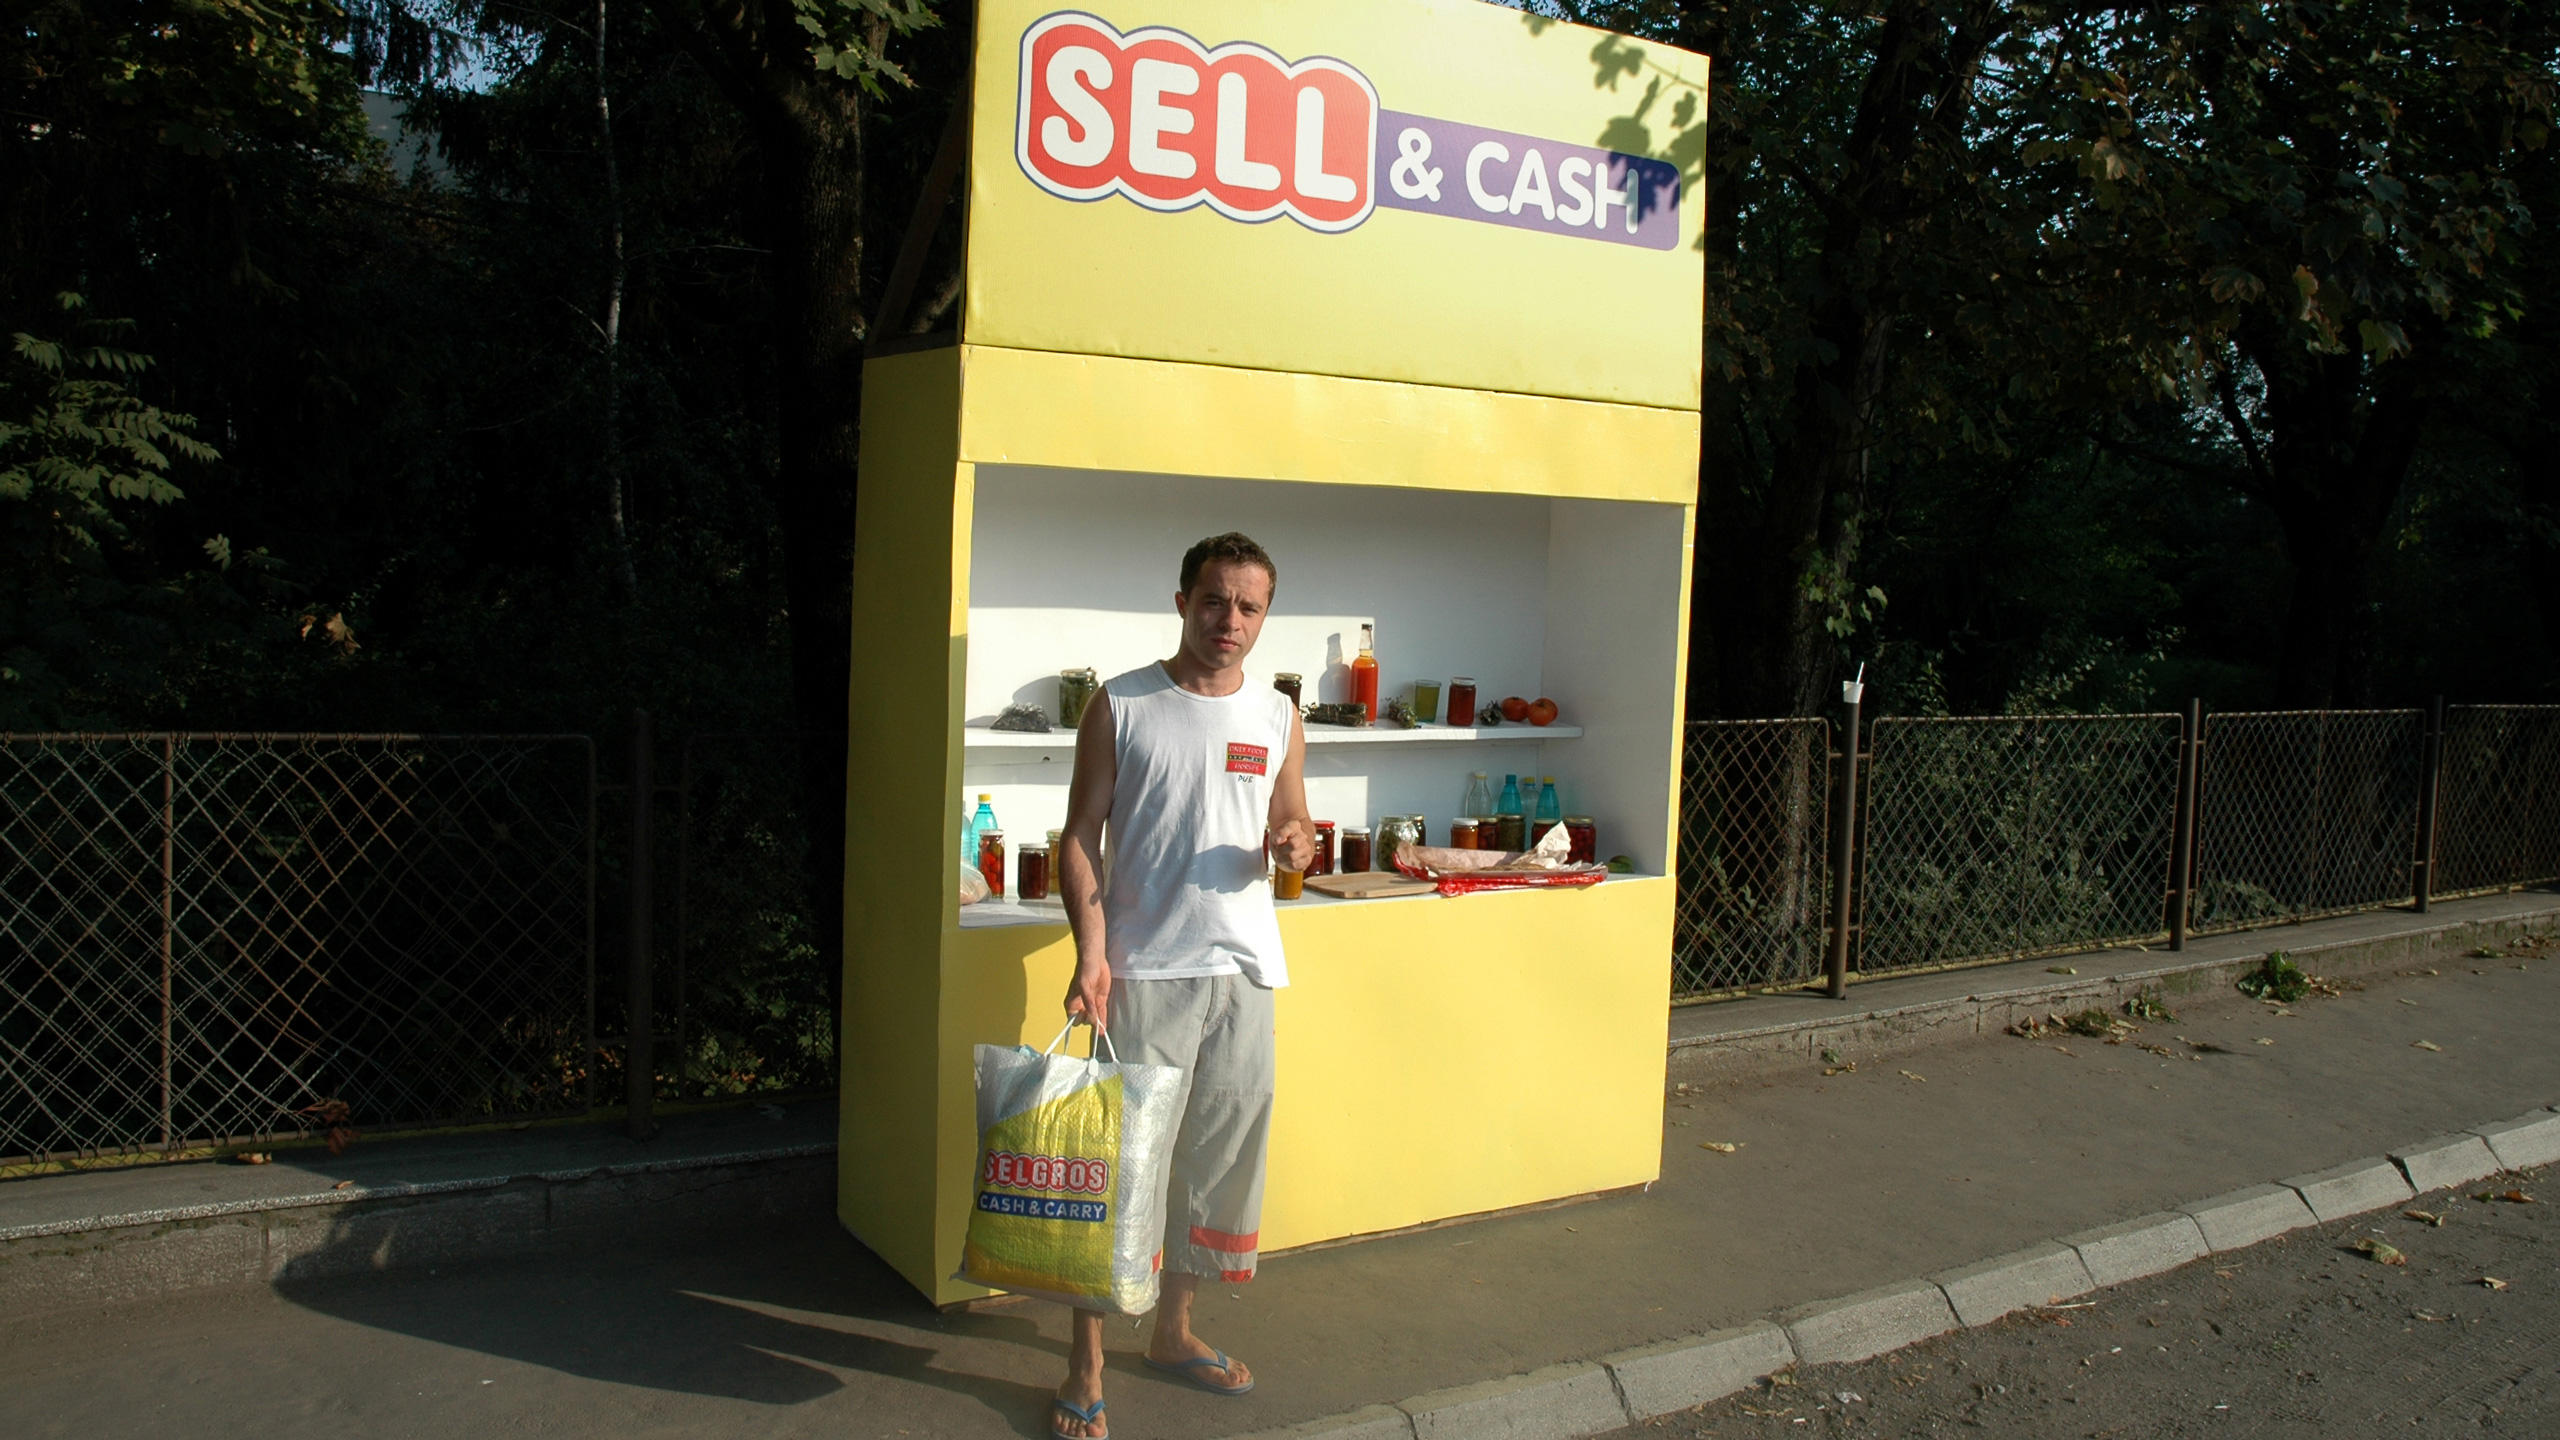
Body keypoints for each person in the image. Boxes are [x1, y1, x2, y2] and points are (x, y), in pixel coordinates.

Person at [1047, 532, 1314, 1440]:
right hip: (1143, 973)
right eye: (1213, 600)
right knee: (1120, 1170)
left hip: (1243, 973)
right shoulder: (1122, 704)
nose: (1228, 619)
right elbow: (1079, 835)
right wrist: (1091, 953)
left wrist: (1296, 843)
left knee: (1212, 1165)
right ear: (1182, 602)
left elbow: (1292, 823)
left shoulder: (1277, 716)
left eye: (1248, 606)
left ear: (1264, 616)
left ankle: (1173, 1332)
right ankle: (1085, 1365)